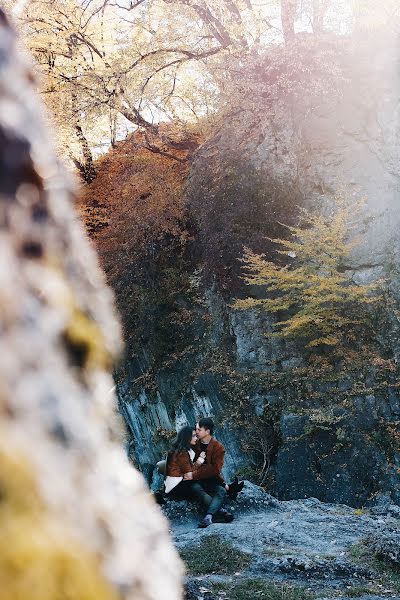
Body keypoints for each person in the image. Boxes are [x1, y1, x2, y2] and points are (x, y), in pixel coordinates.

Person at [183, 417, 234, 528]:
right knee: (196, 487)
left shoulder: (218, 447)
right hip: (195, 481)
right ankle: (221, 512)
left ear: (207, 431)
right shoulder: (194, 443)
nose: (196, 432)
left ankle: (209, 516)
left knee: (221, 490)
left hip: (210, 480)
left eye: (199, 429)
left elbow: (215, 469)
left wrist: (196, 473)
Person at [164, 426, 206, 499]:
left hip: (178, 483)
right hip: (176, 487)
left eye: (196, 436)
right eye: (193, 436)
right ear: (186, 437)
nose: (196, 438)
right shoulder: (181, 452)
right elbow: (189, 473)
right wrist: (200, 460)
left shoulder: (184, 449)